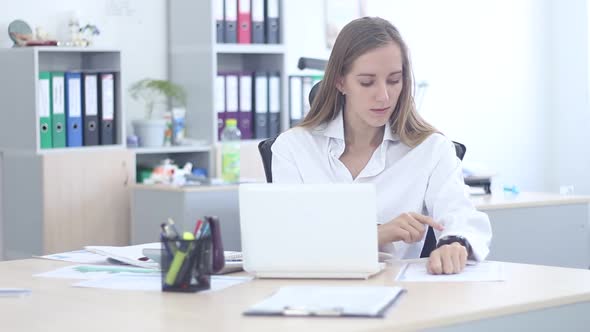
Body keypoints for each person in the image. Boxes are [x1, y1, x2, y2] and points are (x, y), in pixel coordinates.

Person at [271, 17, 492, 275]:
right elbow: (287, 241)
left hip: (400, 297)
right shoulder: (293, 148)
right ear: (340, 82)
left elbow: (462, 217)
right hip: (309, 295)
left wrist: (455, 243)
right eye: (367, 82)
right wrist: (375, 234)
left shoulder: (431, 149)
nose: (383, 96)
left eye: (394, 80)